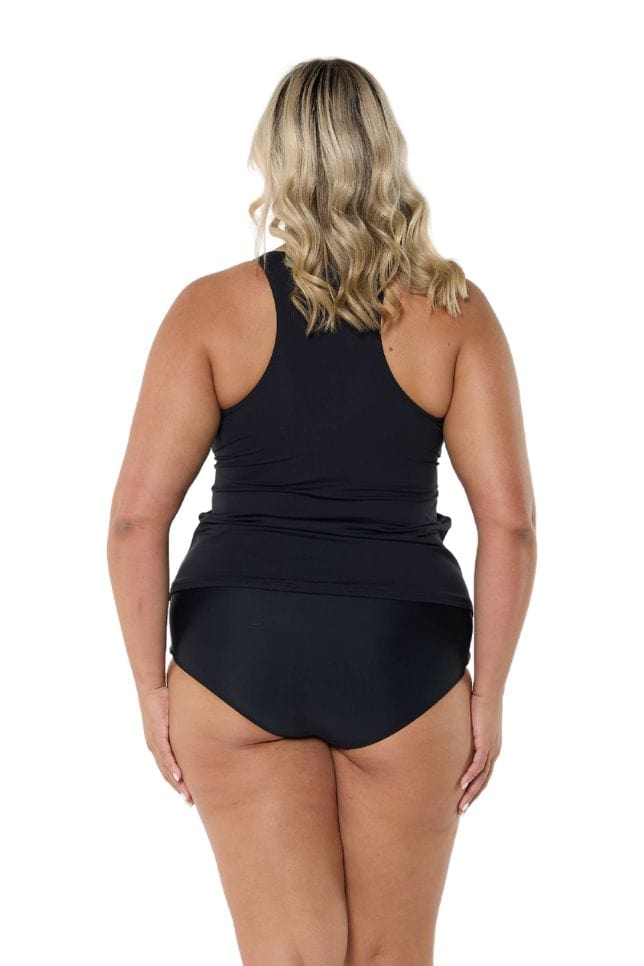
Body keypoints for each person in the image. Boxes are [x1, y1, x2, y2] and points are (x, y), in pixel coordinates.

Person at [107, 57, 537, 966]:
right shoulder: (456, 315)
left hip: (238, 652)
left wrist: (150, 688)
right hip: (400, 656)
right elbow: (510, 527)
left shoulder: (209, 311)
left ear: (276, 159)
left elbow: (137, 522)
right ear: (386, 153)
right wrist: (489, 695)